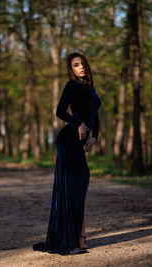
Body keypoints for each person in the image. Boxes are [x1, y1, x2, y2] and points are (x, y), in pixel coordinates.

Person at [33, 52, 102, 255]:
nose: (80, 67)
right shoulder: (71, 86)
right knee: (76, 188)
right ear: (70, 69)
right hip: (68, 140)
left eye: (82, 64)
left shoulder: (91, 89)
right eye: (75, 65)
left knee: (82, 187)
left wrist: (95, 136)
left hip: (80, 141)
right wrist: (78, 123)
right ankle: (74, 239)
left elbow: (94, 115)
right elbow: (60, 112)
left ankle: (80, 238)